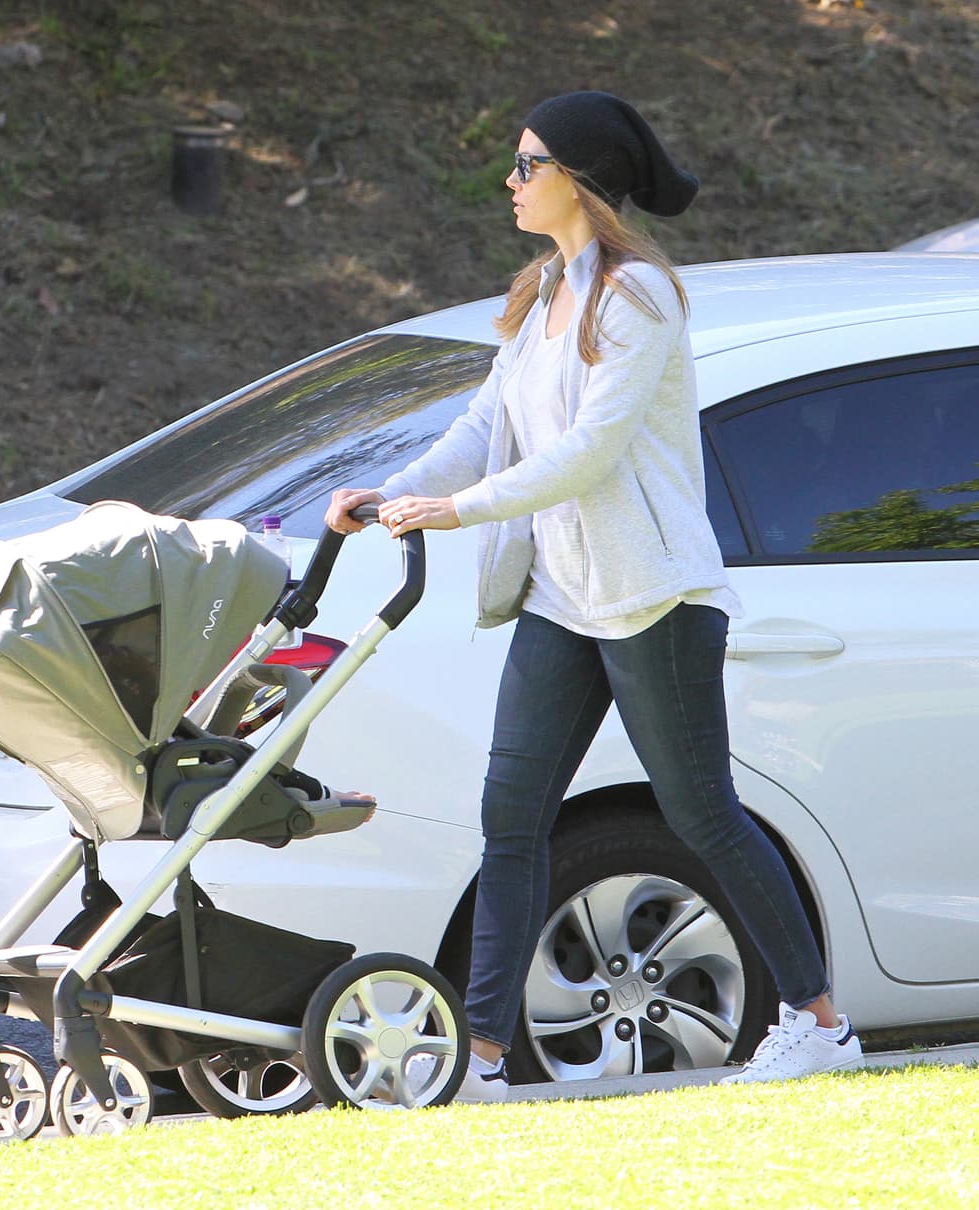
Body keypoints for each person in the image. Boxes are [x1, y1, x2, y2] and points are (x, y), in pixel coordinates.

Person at [324, 91, 862, 1100]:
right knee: (510, 815)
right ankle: (479, 1058)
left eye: (526, 165)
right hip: (560, 599)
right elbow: (485, 427)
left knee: (698, 809)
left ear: (578, 178)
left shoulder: (637, 297)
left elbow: (587, 452)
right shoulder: (539, 296)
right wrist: (393, 490)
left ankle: (815, 1020)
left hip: (650, 597)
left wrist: (454, 512)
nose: (510, 182)